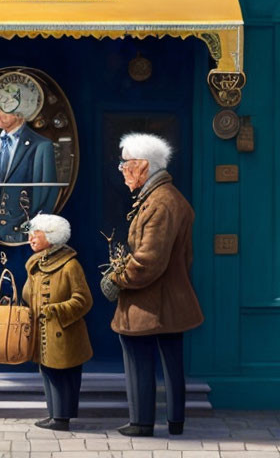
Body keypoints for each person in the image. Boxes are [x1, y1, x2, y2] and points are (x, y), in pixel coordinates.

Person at [105, 133, 203, 438]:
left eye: (125, 164)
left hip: (149, 303)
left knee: (138, 359)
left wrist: (115, 279)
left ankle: (142, 423)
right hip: (168, 299)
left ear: (142, 166)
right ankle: (174, 423)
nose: (121, 170)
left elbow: (148, 261)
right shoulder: (165, 198)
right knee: (172, 362)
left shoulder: (159, 203)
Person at [22, 213, 93, 432]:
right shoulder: (36, 265)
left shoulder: (70, 266)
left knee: (63, 376)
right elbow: (28, 295)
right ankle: (54, 414)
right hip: (43, 332)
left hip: (64, 333)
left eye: (36, 234)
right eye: (30, 234)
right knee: (48, 373)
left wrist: (57, 310)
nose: (31, 239)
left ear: (51, 237)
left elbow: (83, 300)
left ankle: (62, 418)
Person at [0, 75, 58, 244]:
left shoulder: (42, 146)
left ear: (22, 107)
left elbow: (46, 197)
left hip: (26, 239)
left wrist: (28, 233)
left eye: (2, 104)